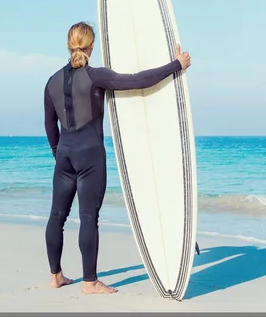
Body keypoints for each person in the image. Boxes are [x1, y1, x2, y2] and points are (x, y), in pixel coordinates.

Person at [43, 22, 191, 294]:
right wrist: (176, 65)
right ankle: (90, 282)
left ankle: (56, 277)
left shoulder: (51, 82)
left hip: (64, 157)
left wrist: (58, 154)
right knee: (88, 217)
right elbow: (137, 80)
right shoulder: (96, 77)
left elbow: (50, 125)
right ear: (91, 46)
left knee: (57, 216)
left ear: (69, 45)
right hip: (90, 157)